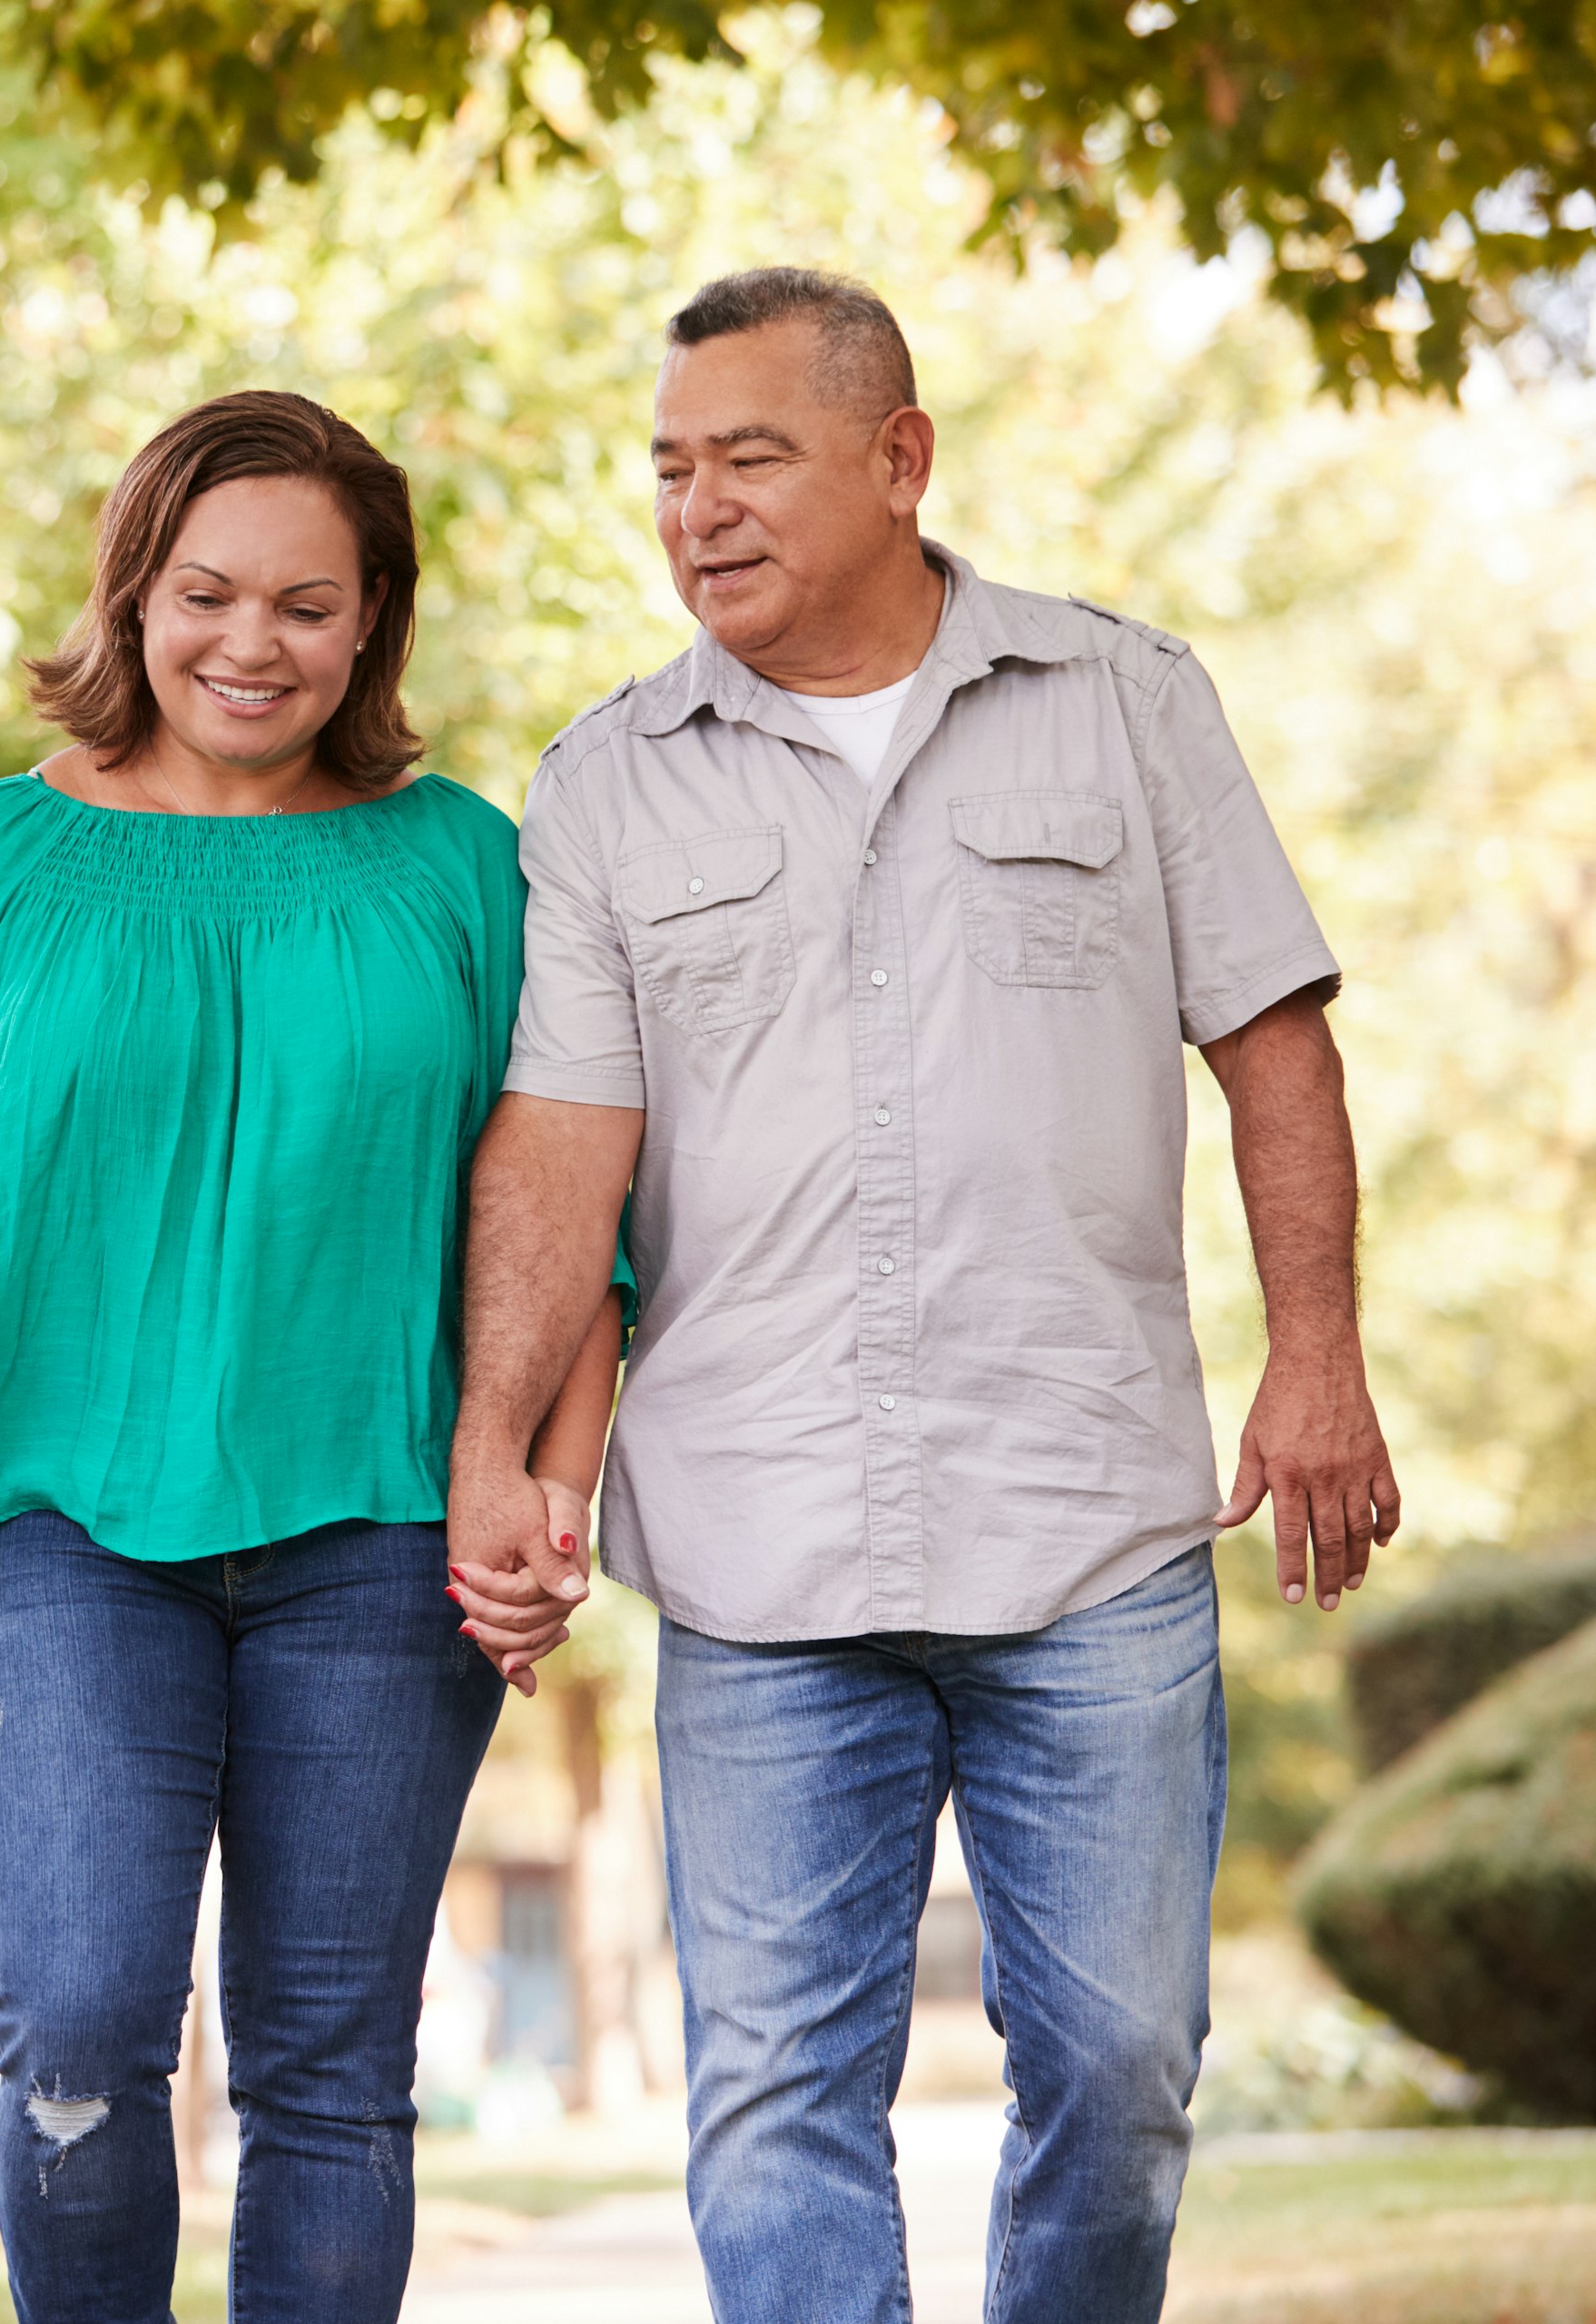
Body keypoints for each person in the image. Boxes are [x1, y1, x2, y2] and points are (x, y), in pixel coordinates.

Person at [450, 269, 1399, 2324]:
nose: (697, 509)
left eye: (750, 459)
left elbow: (1276, 1045)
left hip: (1092, 1526)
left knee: (1125, 2073)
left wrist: (1315, 1357)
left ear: (901, 460)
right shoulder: (610, 779)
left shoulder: (1129, 702)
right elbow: (558, 1140)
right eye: (670, 470)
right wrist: (494, 1447)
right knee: (775, 2096)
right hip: (760, 1541)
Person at [0, 389, 575, 2324]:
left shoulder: (462, 868)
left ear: (375, 618)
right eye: (208, 592)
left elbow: (562, 1218)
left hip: (385, 1537)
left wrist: (543, 1481)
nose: (253, 643)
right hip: (63, 1528)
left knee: (330, 2067)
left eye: (311, 603)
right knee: (76, 2030)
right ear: (136, 592)